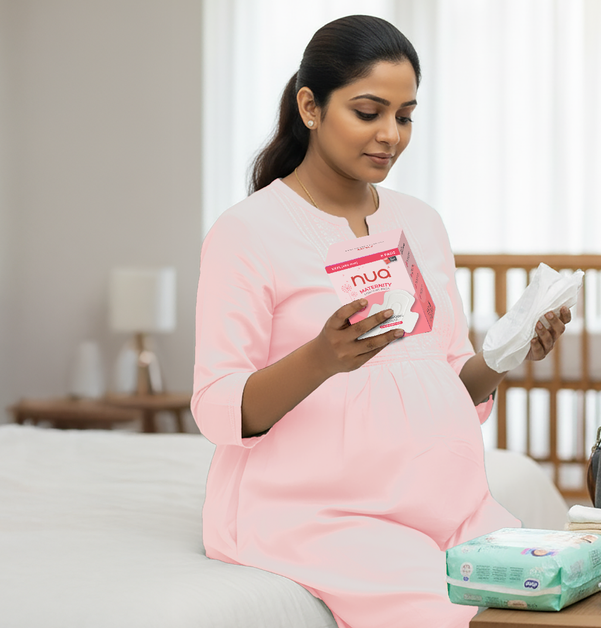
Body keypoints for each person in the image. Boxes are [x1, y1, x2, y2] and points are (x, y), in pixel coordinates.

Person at [191, 15, 571, 628]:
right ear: (310, 107)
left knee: (554, 597)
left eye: (405, 115)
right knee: (458, 613)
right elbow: (217, 407)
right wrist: (321, 358)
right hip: (317, 514)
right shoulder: (247, 233)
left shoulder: (419, 222)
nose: (390, 135)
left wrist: (504, 356)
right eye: (369, 112)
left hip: (445, 501)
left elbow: (443, 379)